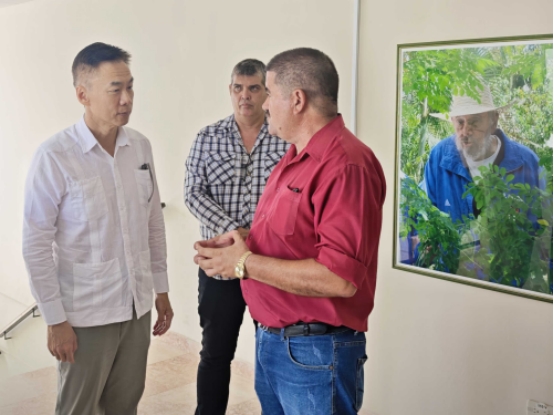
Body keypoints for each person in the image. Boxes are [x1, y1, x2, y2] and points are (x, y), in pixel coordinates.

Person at [193, 48, 386, 415]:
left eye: (269, 93)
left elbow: (339, 278)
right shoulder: (296, 156)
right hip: (278, 346)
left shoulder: (346, 166)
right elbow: (291, 237)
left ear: (297, 100)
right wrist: (240, 243)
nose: (264, 104)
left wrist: (243, 263)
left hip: (314, 353)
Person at [22, 42, 173, 415]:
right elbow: (36, 244)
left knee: (124, 406)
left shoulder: (140, 147)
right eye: (115, 89)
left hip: (136, 307)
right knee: (78, 409)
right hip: (85, 315)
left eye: (130, 87)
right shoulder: (55, 156)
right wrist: (55, 319)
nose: (127, 99)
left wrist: (161, 289)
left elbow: (153, 222)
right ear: (83, 95)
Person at [184, 58, 288, 415]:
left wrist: (254, 235)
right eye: (238, 88)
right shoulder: (207, 137)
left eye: (254, 88)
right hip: (219, 267)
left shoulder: (284, 140)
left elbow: (293, 198)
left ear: (266, 93)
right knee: (215, 354)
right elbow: (193, 193)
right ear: (230, 90)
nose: (245, 96)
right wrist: (234, 231)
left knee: (272, 352)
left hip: (268, 265)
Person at [423, 84, 543, 223]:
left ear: (493, 121)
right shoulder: (438, 158)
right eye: (460, 122)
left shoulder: (528, 163)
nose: (465, 131)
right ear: (452, 121)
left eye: (474, 122)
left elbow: (546, 227)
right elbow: (425, 216)